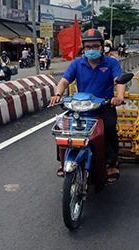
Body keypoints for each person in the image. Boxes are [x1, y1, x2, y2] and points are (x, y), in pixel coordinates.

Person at [49, 29, 125, 184]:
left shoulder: (111, 63)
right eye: (88, 47)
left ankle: (111, 163)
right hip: (81, 107)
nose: (91, 50)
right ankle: (62, 160)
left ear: (102, 47)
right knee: (63, 127)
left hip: (104, 106)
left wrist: (119, 96)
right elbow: (64, 81)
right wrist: (57, 93)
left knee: (109, 127)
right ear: (83, 48)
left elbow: (119, 80)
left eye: (95, 46)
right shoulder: (77, 63)